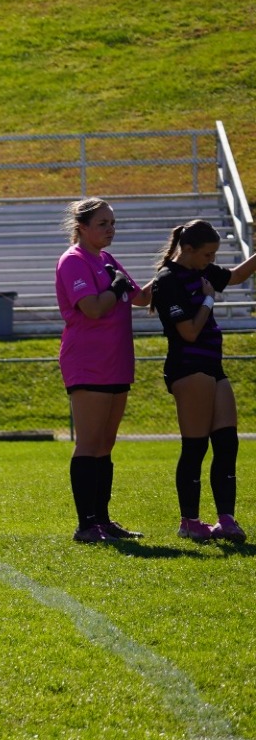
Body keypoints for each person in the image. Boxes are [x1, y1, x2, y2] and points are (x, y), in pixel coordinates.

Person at [148, 219, 256, 540]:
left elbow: (235, 276)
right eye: (207, 255)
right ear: (189, 249)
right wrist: (208, 301)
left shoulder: (202, 271)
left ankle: (226, 519)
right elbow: (189, 332)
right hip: (188, 367)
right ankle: (189, 521)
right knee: (195, 447)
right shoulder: (168, 280)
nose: (212, 261)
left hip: (213, 366)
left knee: (227, 443)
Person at [55, 197, 151, 542]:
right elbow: (93, 308)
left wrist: (175, 266)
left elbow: (141, 298)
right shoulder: (74, 260)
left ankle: (103, 521)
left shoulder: (107, 259)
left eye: (112, 223)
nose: (110, 229)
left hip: (116, 360)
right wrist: (115, 288)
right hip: (88, 362)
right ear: (81, 228)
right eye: (102, 224)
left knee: (105, 444)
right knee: (89, 443)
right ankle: (86, 525)